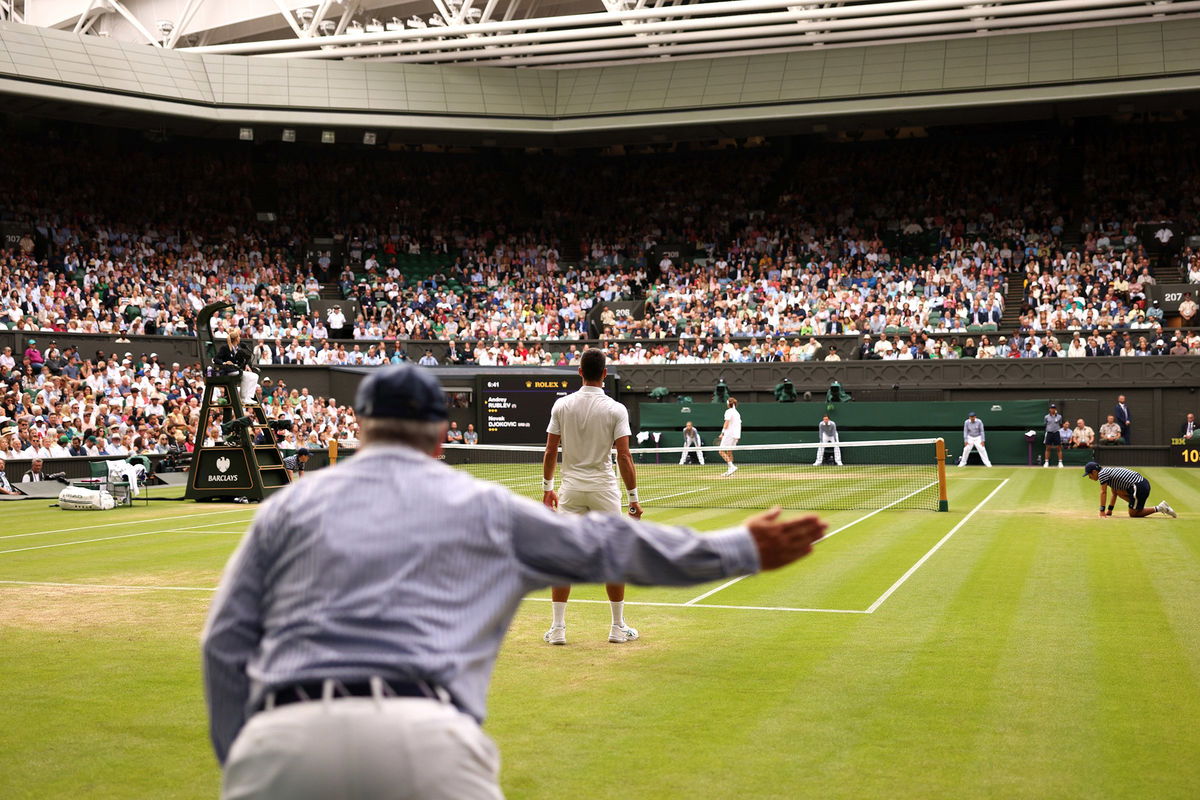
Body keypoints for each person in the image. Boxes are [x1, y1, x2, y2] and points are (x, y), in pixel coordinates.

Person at [202, 364, 827, 799]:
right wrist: (738, 549)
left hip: (278, 747)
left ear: (361, 427)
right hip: (425, 740)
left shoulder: (286, 508)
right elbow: (610, 545)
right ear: (444, 434)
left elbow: (225, 645)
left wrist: (250, 755)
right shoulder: (484, 509)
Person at [541, 348, 642, 646]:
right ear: (605, 374)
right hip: (604, 490)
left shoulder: (562, 405)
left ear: (580, 372)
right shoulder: (615, 409)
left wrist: (548, 489)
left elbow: (550, 451)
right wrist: (633, 498)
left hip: (570, 490)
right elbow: (624, 456)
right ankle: (617, 628)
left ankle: (558, 629)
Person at [1083, 461, 1176, 519]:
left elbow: (1103, 492)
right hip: (1140, 485)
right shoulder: (1107, 472)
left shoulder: (1102, 474)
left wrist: (1102, 511)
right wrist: (1109, 511)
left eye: (1089, 475)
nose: (1089, 477)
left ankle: (1160, 508)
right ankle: (1138, 506)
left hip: (1139, 487)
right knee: (1117, 491)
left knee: (1133, 514)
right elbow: (1114, 493)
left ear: (1094, 472)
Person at [216, 329, 259, 405]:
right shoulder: (225, 347)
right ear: (236, 339)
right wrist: (224, 362)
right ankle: (243, 398)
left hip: (237, 370)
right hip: (228, 371)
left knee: (255, 376)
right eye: (239, 337)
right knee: (246, 376)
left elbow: (239, 361)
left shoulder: (238, 349)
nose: (240, 338)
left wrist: (245, 364)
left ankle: (249, 397)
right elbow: (216, 359)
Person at [718, 397, 742, 477]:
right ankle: (730, 471)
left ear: (728, 404)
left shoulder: (728, 411)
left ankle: (731, 467)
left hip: (729, 434)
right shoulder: (737, 413)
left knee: (721, 451)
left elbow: (726, 422)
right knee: (729, 451)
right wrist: (738, 436)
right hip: (736, 435)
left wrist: (722, 433)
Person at [1043, 403, 1065, 468]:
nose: (1052, 409)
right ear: (1049, 409)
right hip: (1049, 433)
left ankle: (1060, 462)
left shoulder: (1059, 416)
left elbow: (1060, 424)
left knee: (1058, 448)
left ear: (1055, 409)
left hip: (1056, 433)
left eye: (1054, 408)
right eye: (1051, 408)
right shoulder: (1046, 417)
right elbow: (1045, 424)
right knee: (1048, 448)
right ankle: (1046, 462)